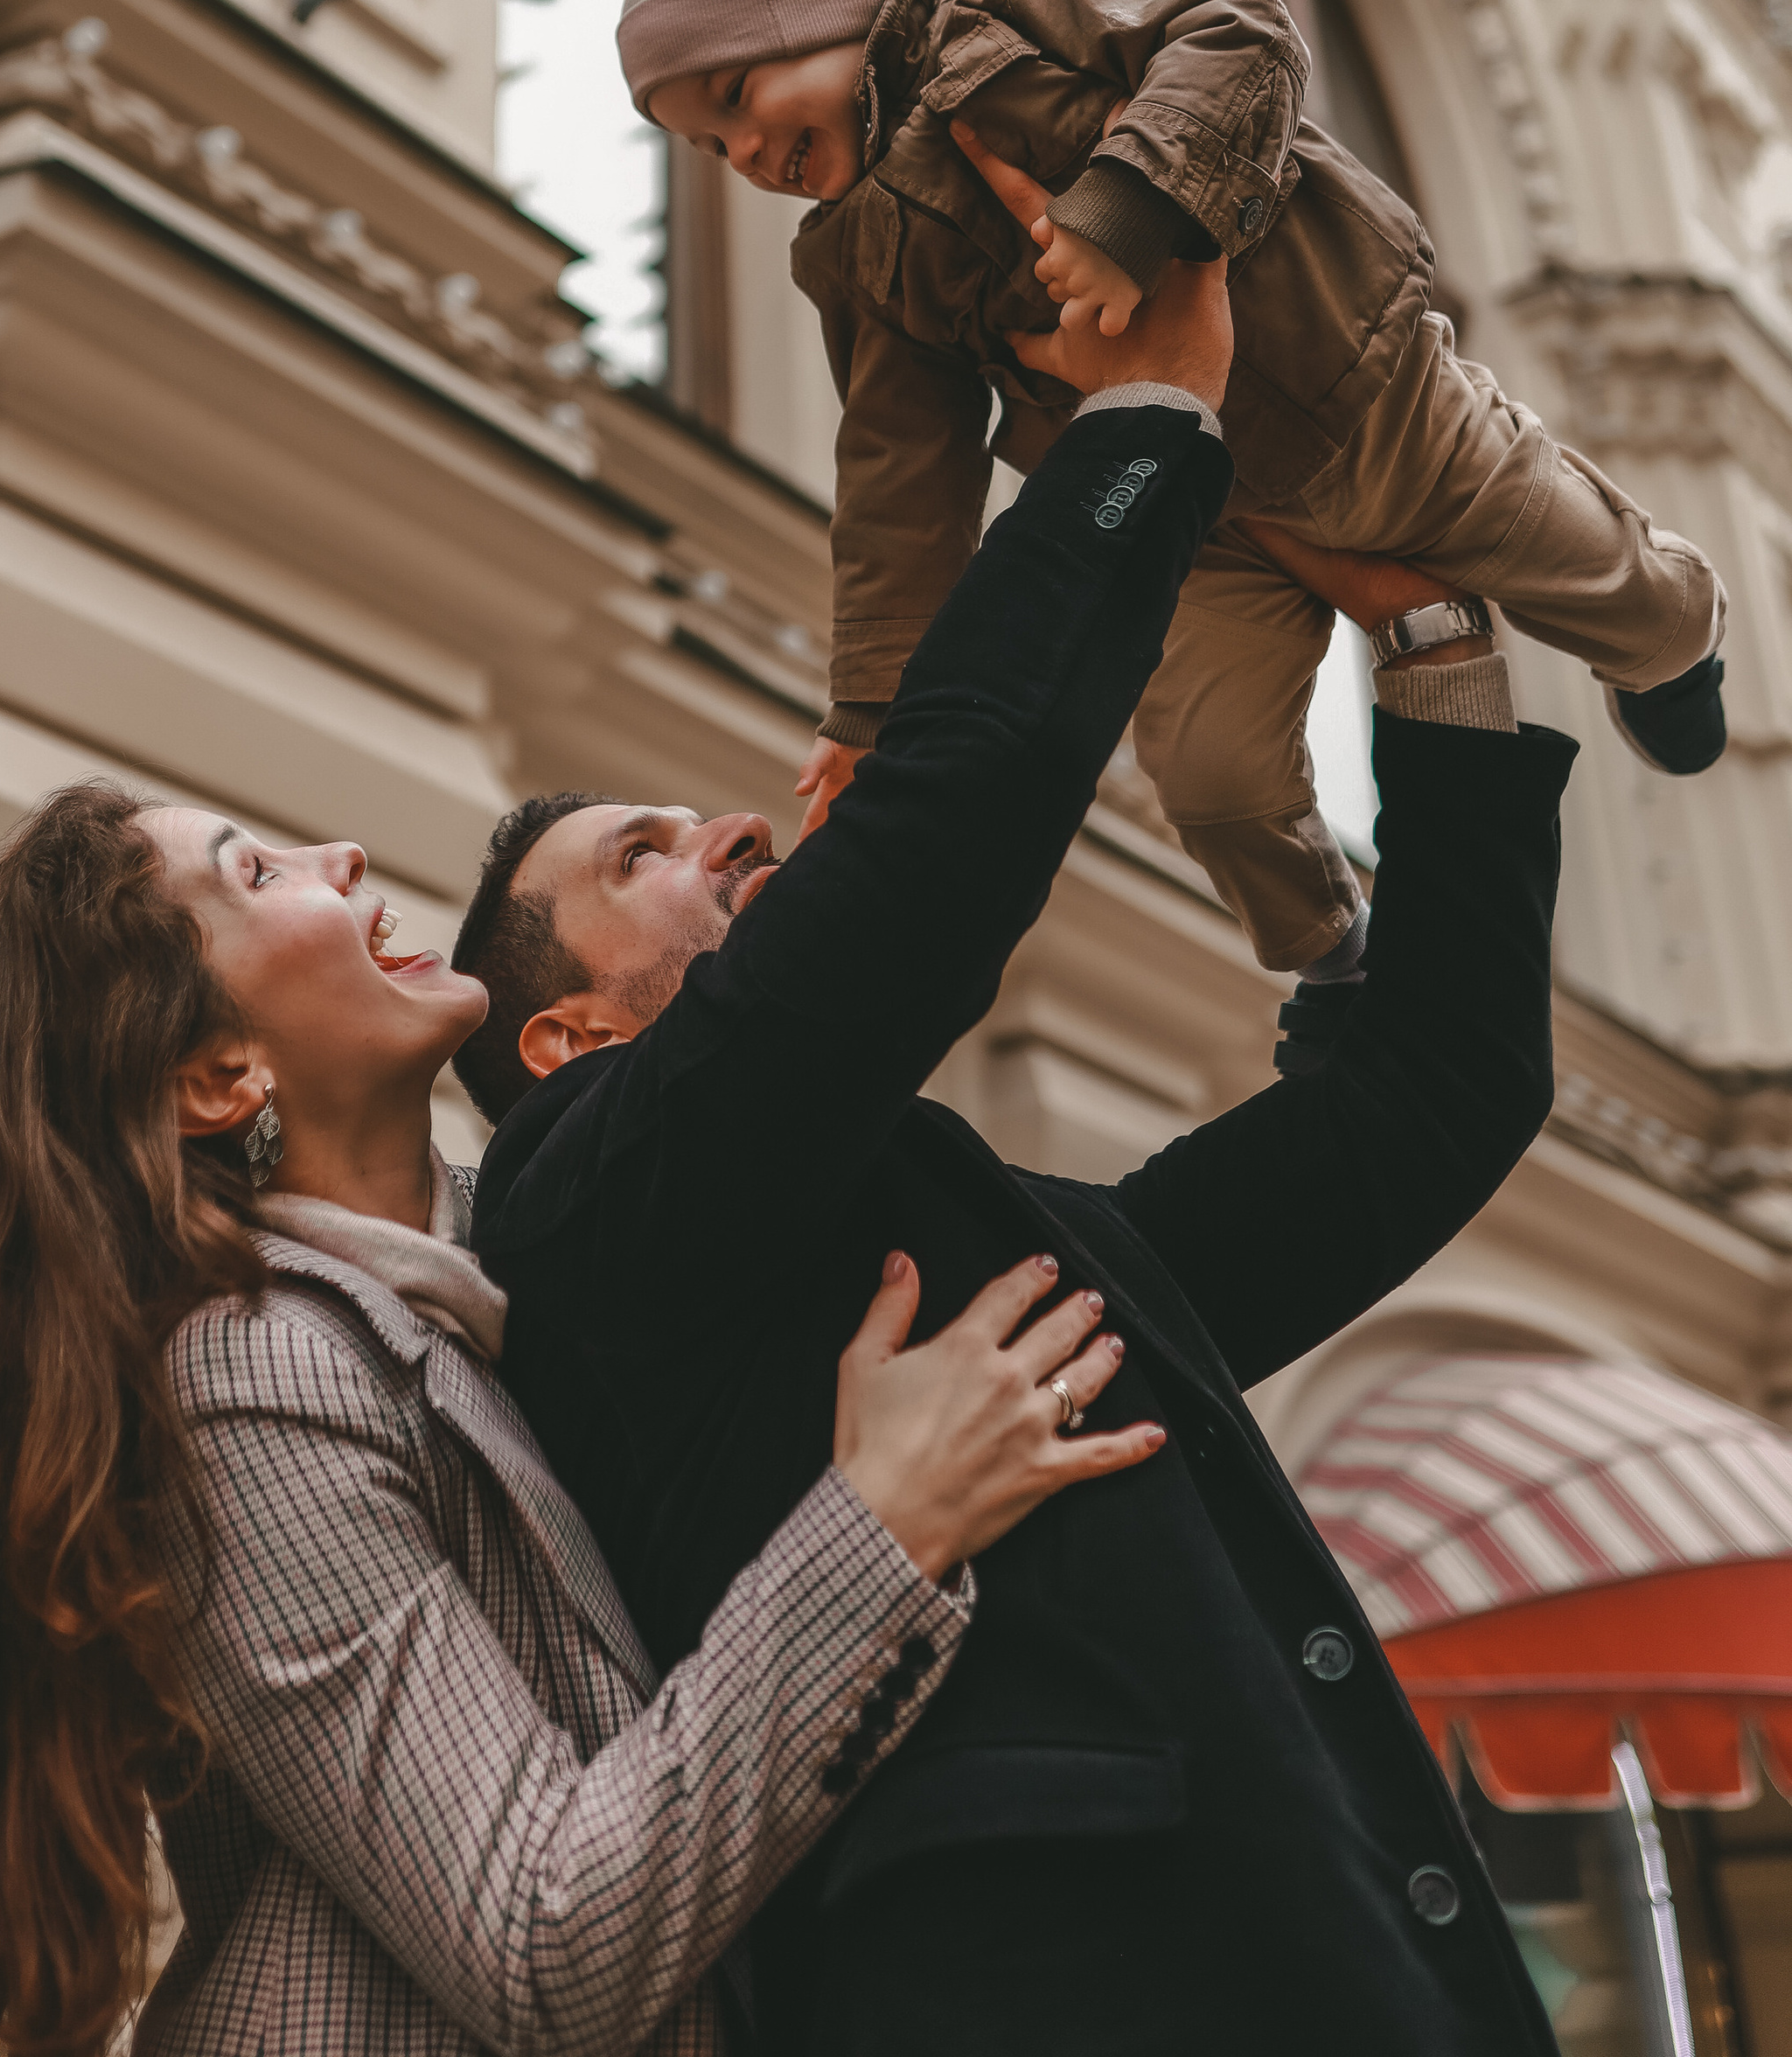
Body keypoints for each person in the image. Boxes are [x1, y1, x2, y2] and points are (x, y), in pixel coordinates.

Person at [453, 234, 1576, 2055]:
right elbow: (936, 843)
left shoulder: (1012, 1246)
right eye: (635, 855)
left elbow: (1432, 1093)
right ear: (563, 1036)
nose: (733, 830)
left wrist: (1428, 641)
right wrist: (1140, 421)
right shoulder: (582, 1199)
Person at [0, 779, 1165, 2057]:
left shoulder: (519, 1277)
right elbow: (545, 1937)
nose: (342, 855)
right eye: (258, 873)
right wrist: (886, 1523)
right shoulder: (254, 1377)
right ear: (219, 1074)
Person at [624, 0, 1722, 1004]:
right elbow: (899, 472)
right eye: (707, 144)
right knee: (1204, 775)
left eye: (738, 93)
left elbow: (1240, 35)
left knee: (1602, 578)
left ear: (825, 1)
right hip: (1197, 511)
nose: (739, 150)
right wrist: (874, 703)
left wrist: (1123, 212)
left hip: (1365, 394)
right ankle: (1327, 949)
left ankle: (1683, 635)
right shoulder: (859, 259)